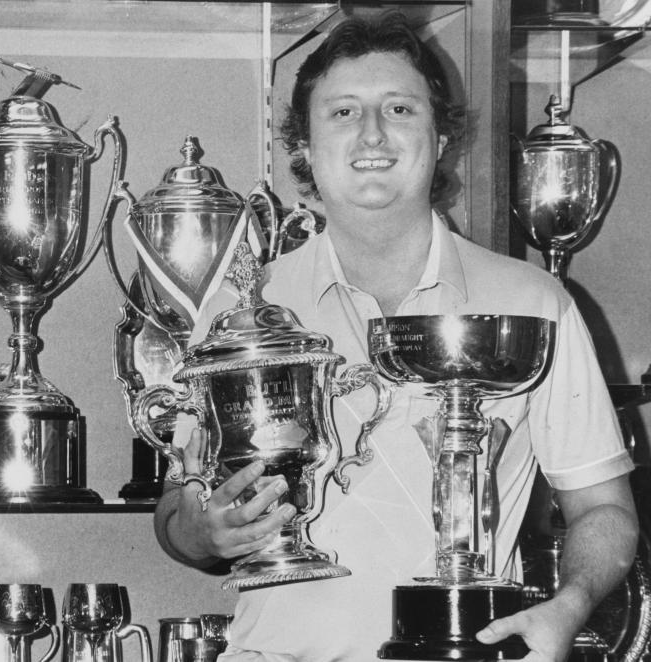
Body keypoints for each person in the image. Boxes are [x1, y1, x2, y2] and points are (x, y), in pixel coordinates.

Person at [152, 12, 638, 662]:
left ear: (440, 141)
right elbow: (175, 514)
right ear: (303, 147)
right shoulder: (244, 306)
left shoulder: (533, 303)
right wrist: (207, 532)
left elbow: (606, 511)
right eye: (344, 112)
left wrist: (568, 606)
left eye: (400, 108)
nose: (373, 133)